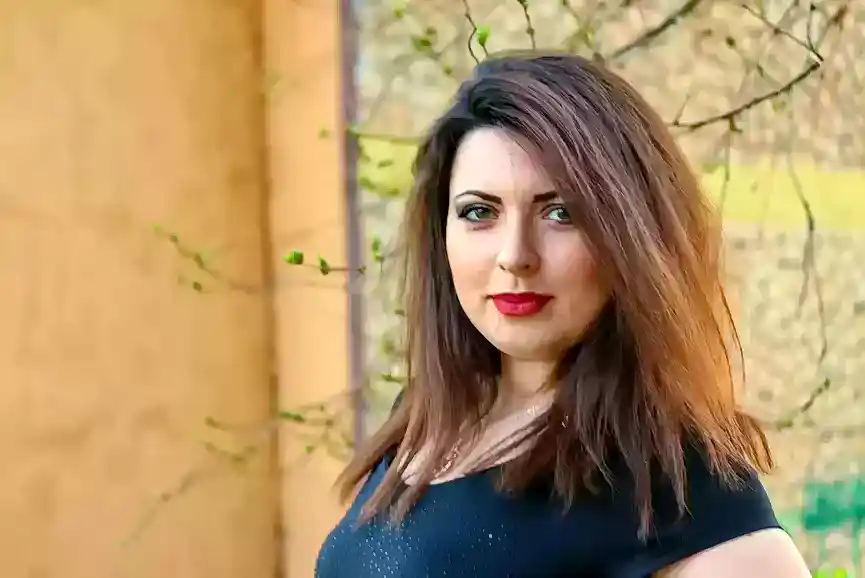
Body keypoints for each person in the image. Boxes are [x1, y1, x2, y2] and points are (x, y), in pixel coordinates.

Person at [315, 51, 811, 577]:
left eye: (560, 213)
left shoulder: (673, 479)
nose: (515, 255)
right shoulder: (427, 418)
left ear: (631, 236)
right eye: (479, 212)